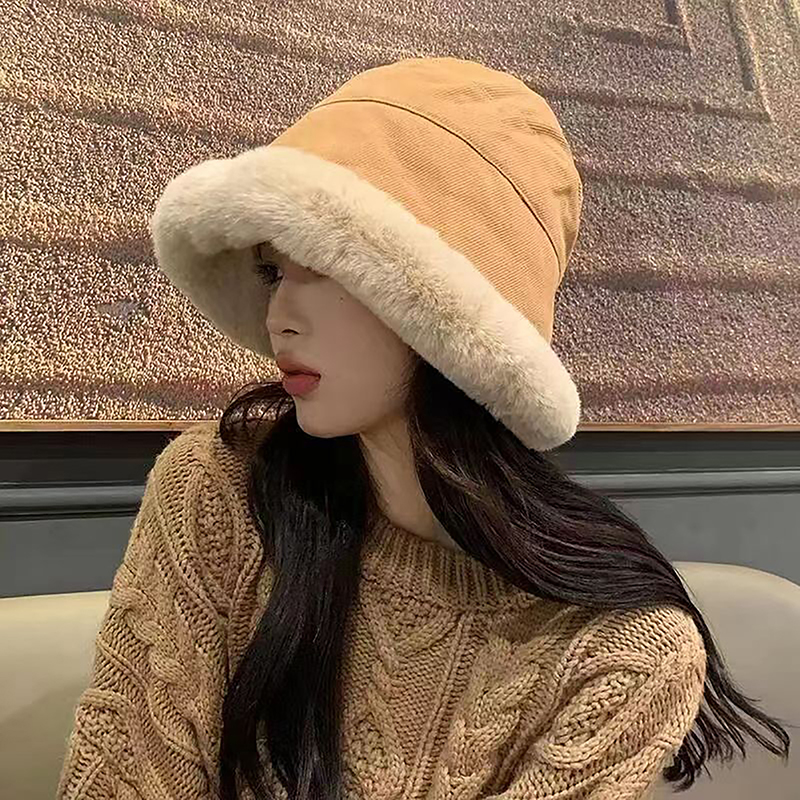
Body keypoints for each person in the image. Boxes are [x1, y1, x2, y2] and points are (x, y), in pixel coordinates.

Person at [57, 57, 789, 800]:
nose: (279, 314)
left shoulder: (618, 653)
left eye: (325, 263)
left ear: (445, 312)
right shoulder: (217, 494)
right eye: (273, 270)